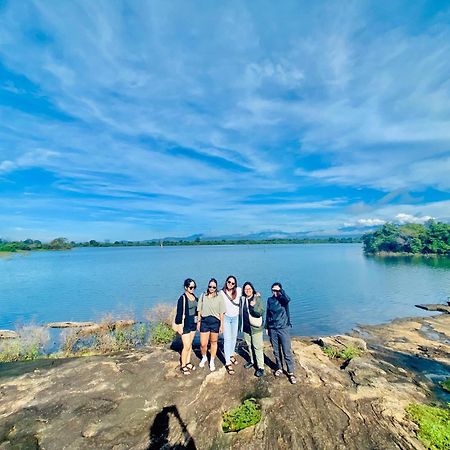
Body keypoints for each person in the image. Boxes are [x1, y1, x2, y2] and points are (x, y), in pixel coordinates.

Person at [266, 282, 296, 384]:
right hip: (272, 328)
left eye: (277, 290)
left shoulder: (283, 300)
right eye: (273, 290)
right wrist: (267, 327)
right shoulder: (270, 300)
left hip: (283, 327)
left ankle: (291, 372)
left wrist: (281, 292)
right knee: (276, 350)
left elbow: (288, 299)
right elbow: (268, 314)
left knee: (286, 351)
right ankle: (279, 367)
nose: (275, 292)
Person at [197, 278, 226, 371]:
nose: (212, 288)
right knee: (203, 343)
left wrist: (222, 325)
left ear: (216, 287)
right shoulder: (203, 295)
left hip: (215, 321)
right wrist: (198, 321)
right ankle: (204, 357)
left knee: (213, 342)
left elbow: (222, 312)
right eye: (210, 286)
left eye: (214, 287)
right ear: (208, 286)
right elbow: (199, 309)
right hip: (204, 321)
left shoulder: (219, 296)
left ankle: (212, 360)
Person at [174, 278, 198, 375]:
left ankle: (188, 362)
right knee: (186, 345)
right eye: (191, 287)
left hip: (193, 322)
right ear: (186, 287)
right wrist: (179, 325)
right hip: (185, 323)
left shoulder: (194, 297)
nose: (192, 289)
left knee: (190, 344)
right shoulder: (182, 298)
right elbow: (179, 313)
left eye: (194, 287)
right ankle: (183, 365)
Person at [241, 281, 265, 377]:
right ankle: (252, 361)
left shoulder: (257, 298)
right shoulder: (242, 299)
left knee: (257, 347)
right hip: (246, 327)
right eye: (246, 289)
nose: (247, 290)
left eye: (249, 289)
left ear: (252, 289)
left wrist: (253, 305)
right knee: (249, 345)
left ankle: (261, 367)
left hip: (255, 328)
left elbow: (260, 312)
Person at [220, 275, 242, 375]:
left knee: (234, 338)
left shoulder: (238, 290)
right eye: (229, 282)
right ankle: (228, 362)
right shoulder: (221, 293)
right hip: (226, 318)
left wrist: (256, 294)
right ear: (226, 282)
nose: (230, 284)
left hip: (235, 318)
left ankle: (231, 355)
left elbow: (248, 292)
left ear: (235, 284)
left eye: (233, 283)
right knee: (227, 339)